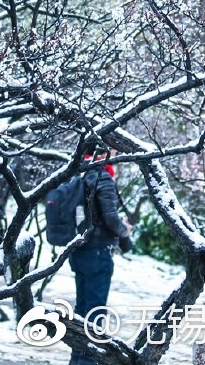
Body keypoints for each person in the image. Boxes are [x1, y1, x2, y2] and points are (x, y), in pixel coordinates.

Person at [68, 146, 135, 364]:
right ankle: (87, 362)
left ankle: (77, 360)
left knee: (81, 312)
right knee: (95, 313)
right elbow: (111, 219)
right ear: (104, 152)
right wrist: (125, 230)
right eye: (113, 151)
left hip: (79, 250)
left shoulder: (79, 173)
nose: (115, 156)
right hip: (98, 252)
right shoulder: (102, 176)